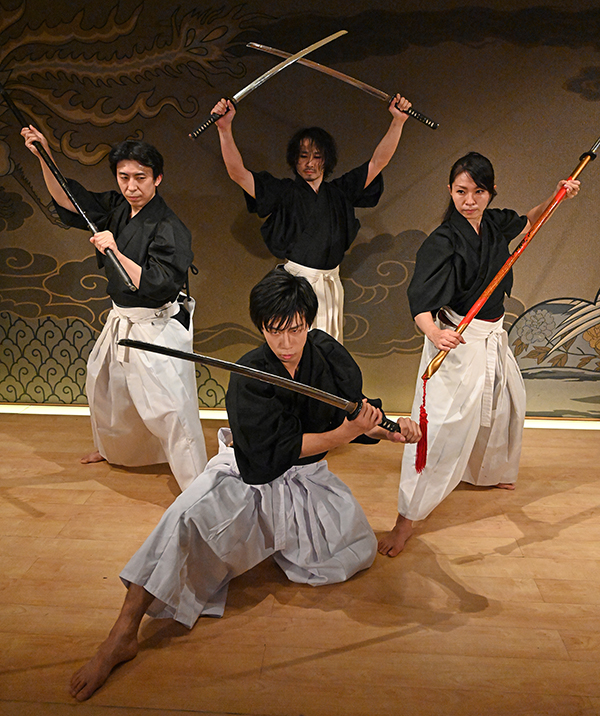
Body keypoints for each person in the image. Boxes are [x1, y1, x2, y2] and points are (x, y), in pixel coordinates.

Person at [68, 268, 421, 701]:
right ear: (261, 327)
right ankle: (122, 634)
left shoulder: (328, 355)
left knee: (355, 553)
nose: (286, 342)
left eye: (295, 329)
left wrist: (390, 430)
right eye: (275, 331)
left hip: (307, 478)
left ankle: (268, 543)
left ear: (309, 323)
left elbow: (354, 414)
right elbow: (278, 449)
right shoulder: (250, 373)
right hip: (250, 472)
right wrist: (343, 435)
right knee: (182, 520)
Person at [378, 151, 581, 557]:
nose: (469, 200)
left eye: (478, 192)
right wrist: (434, 332)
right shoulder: (442, 241)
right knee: (439, 430)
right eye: (461, 191)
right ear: (450, 191)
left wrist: (558, 194)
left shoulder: (493, 223)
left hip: (492, 335)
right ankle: (405, 520)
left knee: (505, 406)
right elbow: (420, 300)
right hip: (455, 339)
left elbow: (531, 220)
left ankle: (487, 472)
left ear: (491, 192)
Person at [21, 126, 207, 491]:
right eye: (124, 177)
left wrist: (115, 251)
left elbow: (158, 284)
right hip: (122, 318)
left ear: (157, 178)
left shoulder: (169, 227)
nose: (131, 186)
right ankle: (116, 451)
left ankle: (197, 482)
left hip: (155, 324)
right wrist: (45, 155)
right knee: (106, 388)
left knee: (170, 407)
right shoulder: (118, 208)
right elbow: (68, 200)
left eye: (140, 177)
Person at [210, 94, 412, 342]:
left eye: (317, 156)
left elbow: (378, 162)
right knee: (298, 348)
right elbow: (238, 173)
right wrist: (224, 128)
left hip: (331, 282)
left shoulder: (339, 192)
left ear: (326, 160)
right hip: (296, 285)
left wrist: (398, 122)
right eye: (303, 155)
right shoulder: (284, 192)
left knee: (330, 350)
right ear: (294, 159)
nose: (309, 163)